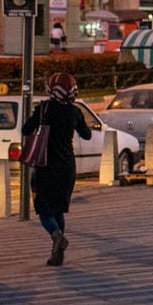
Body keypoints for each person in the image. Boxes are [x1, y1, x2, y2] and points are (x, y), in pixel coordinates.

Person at [21, 71, 93, 266]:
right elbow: (87, 135)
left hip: (45, 165)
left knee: (43, 209)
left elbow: (25, 130)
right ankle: (57, 253)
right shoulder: (75, 111)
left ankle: (56, 236)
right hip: (67, 167)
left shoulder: (44, 109)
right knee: (59, 209)